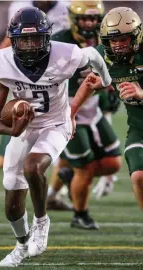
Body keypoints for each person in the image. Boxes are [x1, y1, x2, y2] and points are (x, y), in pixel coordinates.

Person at [0, 7, 111, 267]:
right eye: (24, 39)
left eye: (35, 38)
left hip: (56, 123)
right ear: (14, 40)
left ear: (47, 37)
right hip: (25, 127)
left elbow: (95, 57)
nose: (30, 45)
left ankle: (42, 222)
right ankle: (20, 245)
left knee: (32, 167)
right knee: (11, 201)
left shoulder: (65, 53)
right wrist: (13, 130)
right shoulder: (2, 61)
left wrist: (106, 80)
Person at [0, 0, 71, 174]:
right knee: (4, 158)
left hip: (57, 77)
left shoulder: (66, 7)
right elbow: (11, 40)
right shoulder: (20, 7)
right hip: (31, 79)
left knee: (66, 149)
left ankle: (55, 194)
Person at [47, 0, 122, 228]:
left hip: (93, 110)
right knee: (85, 167)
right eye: (84, 19)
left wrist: (112, 90)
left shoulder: (105, 40)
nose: (89, 24)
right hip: (67, 110)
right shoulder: (59, 41)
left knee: (112, 164)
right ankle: (80, 214)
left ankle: (70, 174)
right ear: (73, 19)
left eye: (92, 19)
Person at [70, 7, 143, 218]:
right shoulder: (104, 56)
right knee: (138, 176)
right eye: (113, 40)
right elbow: (90, 83)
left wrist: (140, 93)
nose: (118, 45)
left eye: (123, 39)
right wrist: (71, 113)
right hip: (139, 128)